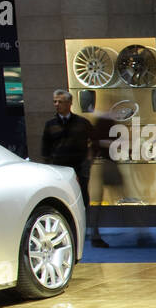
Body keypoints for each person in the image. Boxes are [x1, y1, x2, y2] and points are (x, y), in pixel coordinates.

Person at [42, 89, 108, 247]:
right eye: (55, 102)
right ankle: (62, 234)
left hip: (80, 168)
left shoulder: (82, 123)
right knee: (60, 200)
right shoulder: (50, 125)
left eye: (60, 101)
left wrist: (89, 159)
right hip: (59, 170)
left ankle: (87, 232)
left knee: (83, 200)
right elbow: (45, 150)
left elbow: (96, 141)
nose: (57, 104)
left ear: (69, 103)